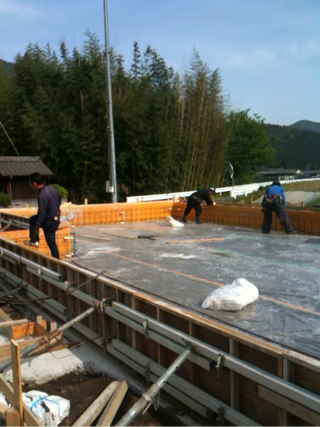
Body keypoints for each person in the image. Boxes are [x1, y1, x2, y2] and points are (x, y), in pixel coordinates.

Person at [24, 173, 61, 259]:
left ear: (35, 184)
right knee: (33, 219)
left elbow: (42, 213)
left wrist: (37, 227)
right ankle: (34, 240)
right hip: (56, 218)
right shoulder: (52, 188)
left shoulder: (42, 196)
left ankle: (57, 262)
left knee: (51, 243)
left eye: (30, 184)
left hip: (49, 222)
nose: (30, 186)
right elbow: (59, 200)